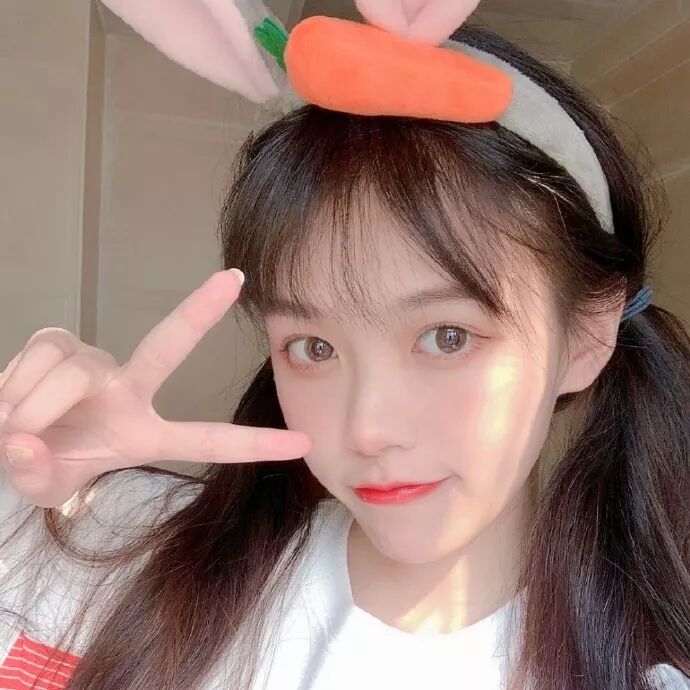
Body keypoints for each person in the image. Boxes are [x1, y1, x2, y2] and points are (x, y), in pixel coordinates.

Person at [0, 2, 689, 689]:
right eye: (313, 347)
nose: (367, 430)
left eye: (446, 337)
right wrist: (24, 454)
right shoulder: (127, 547)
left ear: (587, 333)